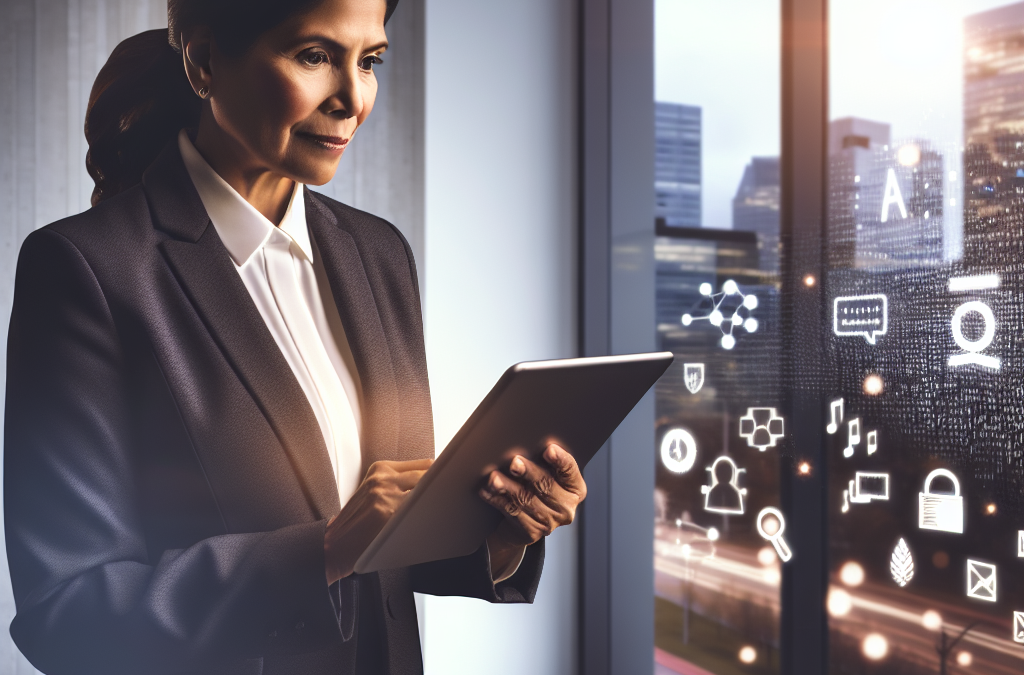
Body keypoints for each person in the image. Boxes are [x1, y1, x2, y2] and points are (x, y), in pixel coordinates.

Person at [3, 0, 587, 673]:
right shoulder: (89, 269)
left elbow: (392, 548)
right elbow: (67, 612)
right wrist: (329, 546)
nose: (351, 99)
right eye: (314, 56)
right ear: (203, 60)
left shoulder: (379, 252)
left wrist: (504, 525)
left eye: (368, 61)